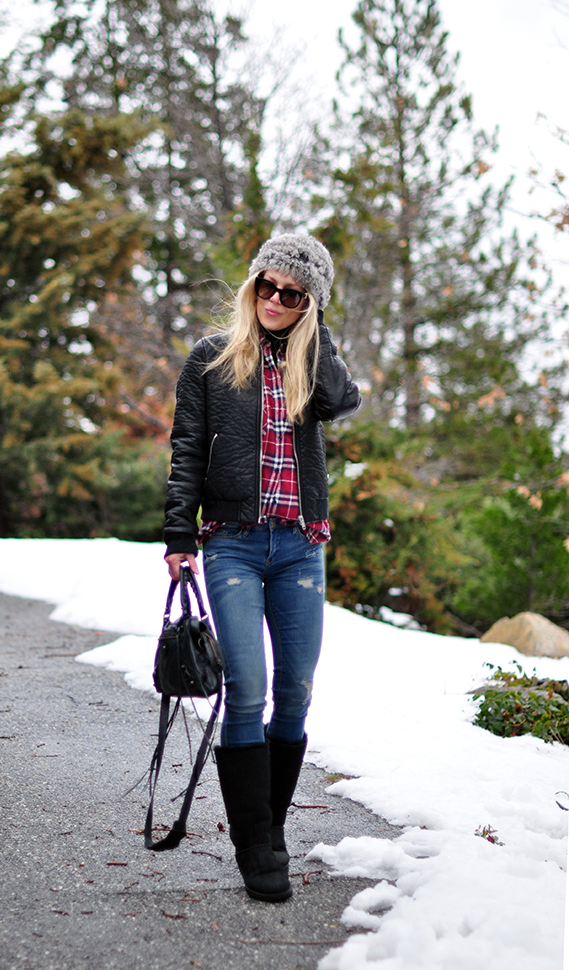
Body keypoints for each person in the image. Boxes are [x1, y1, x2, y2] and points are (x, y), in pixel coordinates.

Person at [163, 233, 361, 902]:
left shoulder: (312, 363)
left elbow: (342, 399)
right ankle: (255, 850)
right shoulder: (212, 360)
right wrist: (177, 537)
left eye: (293, 293)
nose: (276, 299)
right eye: (268, 286)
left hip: (301, 547)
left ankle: (267, 829)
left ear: (309, 302)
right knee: (247, 687)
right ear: (252, 288)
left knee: (296, 693)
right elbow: (186, 449)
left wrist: (318, 328)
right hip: (233, 547)